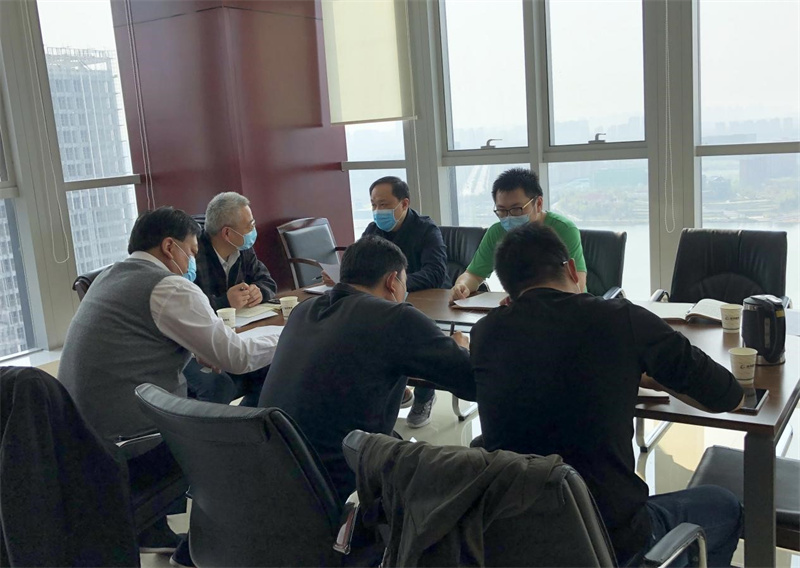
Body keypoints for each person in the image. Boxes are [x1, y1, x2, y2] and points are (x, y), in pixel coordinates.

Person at [470, 223, 744, 567]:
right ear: (572, 269)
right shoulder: (621, 318)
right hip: (612, 541)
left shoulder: (484, 333)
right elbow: (727, 396)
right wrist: (651, 376)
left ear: (509, 291)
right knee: (723, 505)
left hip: (517, 540)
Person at [59, 206, 281, 564]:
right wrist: (286, 334)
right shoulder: (168, 286)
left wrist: (200, 350)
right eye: (191, 251)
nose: (192, 261)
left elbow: (138, 343)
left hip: (83, 436)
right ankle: (205, 550)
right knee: (237, 445)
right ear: (169, 247)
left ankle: (152, 527)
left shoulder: (109, 275)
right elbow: (237, 357)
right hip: (131, 442)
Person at [260, 235, 475, 503]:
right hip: (344, 484)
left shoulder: (302, 310)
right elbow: (473, 381)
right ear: (392, 281)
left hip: (272, 479)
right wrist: (459, 347)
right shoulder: (395, 317)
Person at [323, 176, 448, 428]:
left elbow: (435, 272)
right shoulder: (373, 230)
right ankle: (395, 387)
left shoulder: (426, 230)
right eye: (373, 205)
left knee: (419, 340)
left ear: (404, 203)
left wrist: (397, 284)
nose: (378, 211)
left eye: (384, 204)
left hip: (425, 299)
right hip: (383, 300)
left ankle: (424, 395)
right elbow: (359, 268)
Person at [187, 191, 278, 406]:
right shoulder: (194, 254)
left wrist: (259, 291)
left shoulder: (243, 247)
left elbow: (267, 281)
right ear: (227, 233)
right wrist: (225, 302)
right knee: (220, 385)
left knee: (275, 368)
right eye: (250, 225)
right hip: (199, 343)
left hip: (241, 331)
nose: (253, 230)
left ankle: (250, 420)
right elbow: (189, 305)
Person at [450, 167, 587, 300]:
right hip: (521, 307)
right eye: (502, 210)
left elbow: (577, 287)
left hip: (565, 306)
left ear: (538, 204)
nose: (509, 217)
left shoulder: (564, 229)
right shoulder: (496, 232)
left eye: (516, 209)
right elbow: (473, 275)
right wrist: (462, 286)